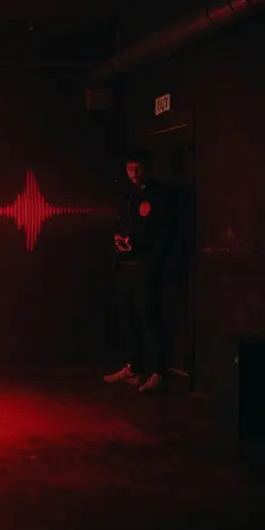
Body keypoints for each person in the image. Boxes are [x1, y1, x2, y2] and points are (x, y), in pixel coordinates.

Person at [105, 147, 171, 393]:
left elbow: (161, 231)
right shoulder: (128, 195)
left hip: (145, 267)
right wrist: (119, 240)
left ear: (146, 167)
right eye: (128, 168)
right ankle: (135, 368)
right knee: (129, 316)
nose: (132, 173)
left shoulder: (158, 194)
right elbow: (121, 223)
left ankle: (156, 373)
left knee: (148, 317)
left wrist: (139, 244)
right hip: (125, 266)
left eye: (137, 168)